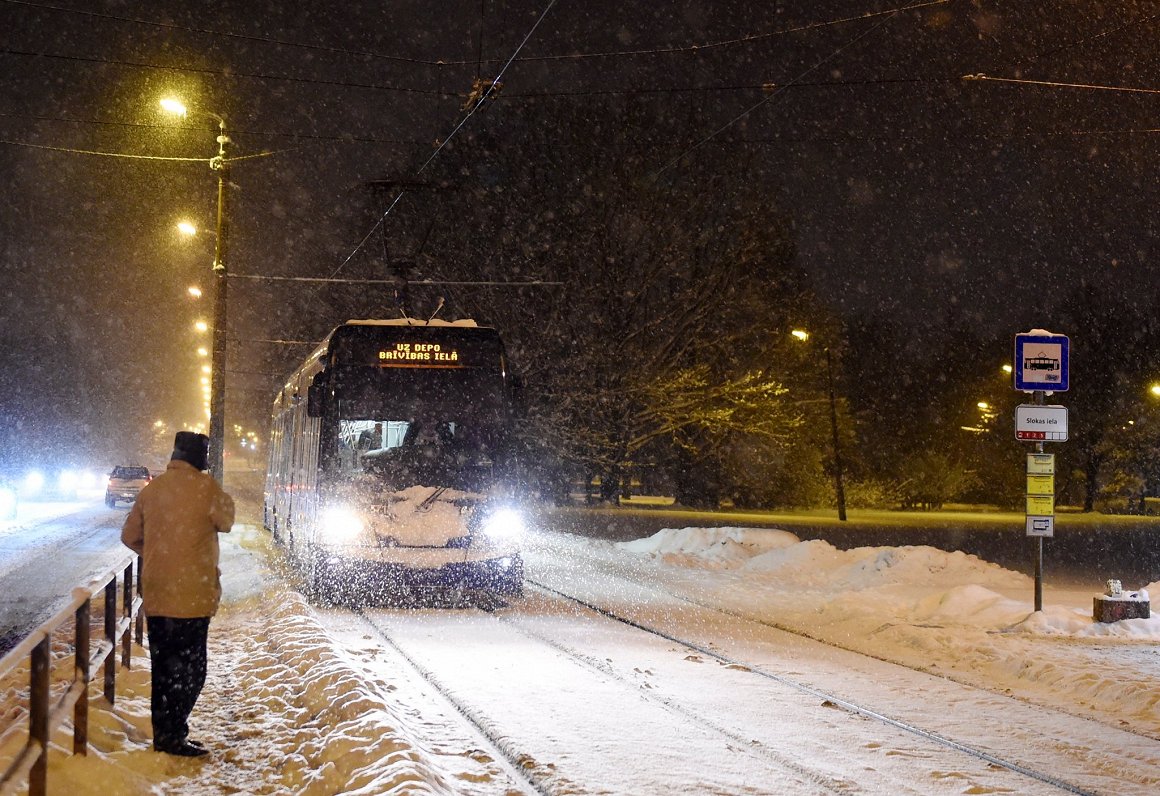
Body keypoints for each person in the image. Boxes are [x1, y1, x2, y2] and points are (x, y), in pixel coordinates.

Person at [120, 431, 235, 757]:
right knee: (192, 670)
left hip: (158, 597)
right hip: (193, 597)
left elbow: (129, 536)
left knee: (163, 668)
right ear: (200, 457)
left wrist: (159, 553)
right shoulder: (207, 489)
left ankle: (165, 735)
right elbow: (227, 521)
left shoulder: (152, 490)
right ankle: (175, 733)